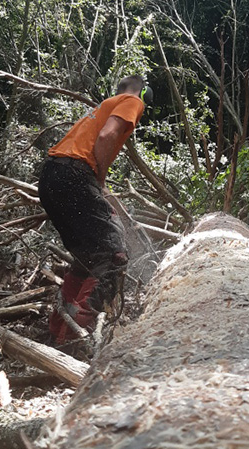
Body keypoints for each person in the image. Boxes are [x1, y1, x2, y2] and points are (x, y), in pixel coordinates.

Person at [38, 75, 152, 344]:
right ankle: (78, 339)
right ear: (143, 91)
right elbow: (107, 135)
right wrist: (99, 180)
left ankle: (58, 334)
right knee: (114, 255)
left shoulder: (105, 104)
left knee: (88, 257)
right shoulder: (132, 100)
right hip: (74, 175)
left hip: (52, 177)